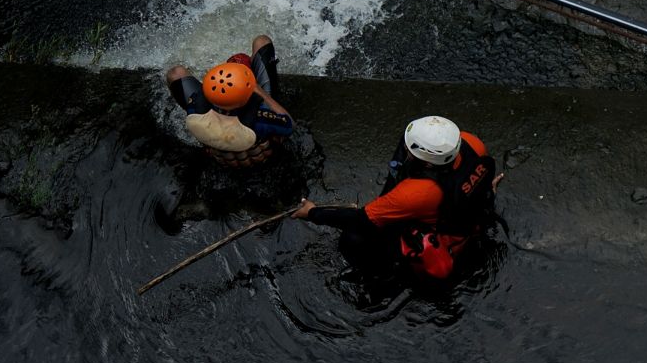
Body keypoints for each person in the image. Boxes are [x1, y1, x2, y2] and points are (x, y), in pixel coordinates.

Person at [292, 115, 503, 280]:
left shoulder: (415, 193)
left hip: (446, 234)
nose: (405, 151)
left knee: (352, 238)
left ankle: (381, 275)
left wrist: (312, 212)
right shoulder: (471, 142)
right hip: (470, 214)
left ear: (428, 164)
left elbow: (362, 220)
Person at [165, 34, 293, 167]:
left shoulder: (196, 109)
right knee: (262, 41)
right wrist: (259, 91)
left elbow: (178, 78)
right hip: (261, 163)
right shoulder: (261, 120)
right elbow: (290, 125)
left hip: (219, 158)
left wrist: (210, 83)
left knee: (175, 73)